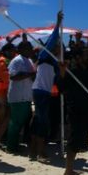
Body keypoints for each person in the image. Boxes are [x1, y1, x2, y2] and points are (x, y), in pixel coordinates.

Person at [58, 48, 88, 175]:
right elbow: (61, 87)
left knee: (81, 141)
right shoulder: (71, 72)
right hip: (75, 109)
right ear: (78, 58)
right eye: (85, 55)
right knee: (73, 142)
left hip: (86, 109)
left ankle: (69, 171)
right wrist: (62, 72)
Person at [29, 11, 63, 162]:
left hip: (45, 92)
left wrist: (62, 69)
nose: (58, 48)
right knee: (43, 122)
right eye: (57, 46)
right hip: (40, 91)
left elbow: (59, 77)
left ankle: (33, 150)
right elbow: (53, 38)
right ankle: (40, 153)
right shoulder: (44, 54)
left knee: (39, 120)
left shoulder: (54, 61)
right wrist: (58, 23)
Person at [5, 41, 36, 153]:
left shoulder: (29, 60)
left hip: (26, 96)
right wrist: (30, 74)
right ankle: (11, 147)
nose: (31, 50)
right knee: (16, 122)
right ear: (22, 49)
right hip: (17, 96)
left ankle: (15, 143)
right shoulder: (17, 60)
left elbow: (31, 76)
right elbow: (13, 76)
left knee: (22, 121)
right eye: (29, 48)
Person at [0, 43, 14, 148]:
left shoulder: (5, 60)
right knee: (0, 116)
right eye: (12, 50)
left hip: (2, 90)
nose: (14, 53)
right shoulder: (2, 62)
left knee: (5, 116)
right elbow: (6, 77)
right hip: (0, 91)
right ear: (7, 51)